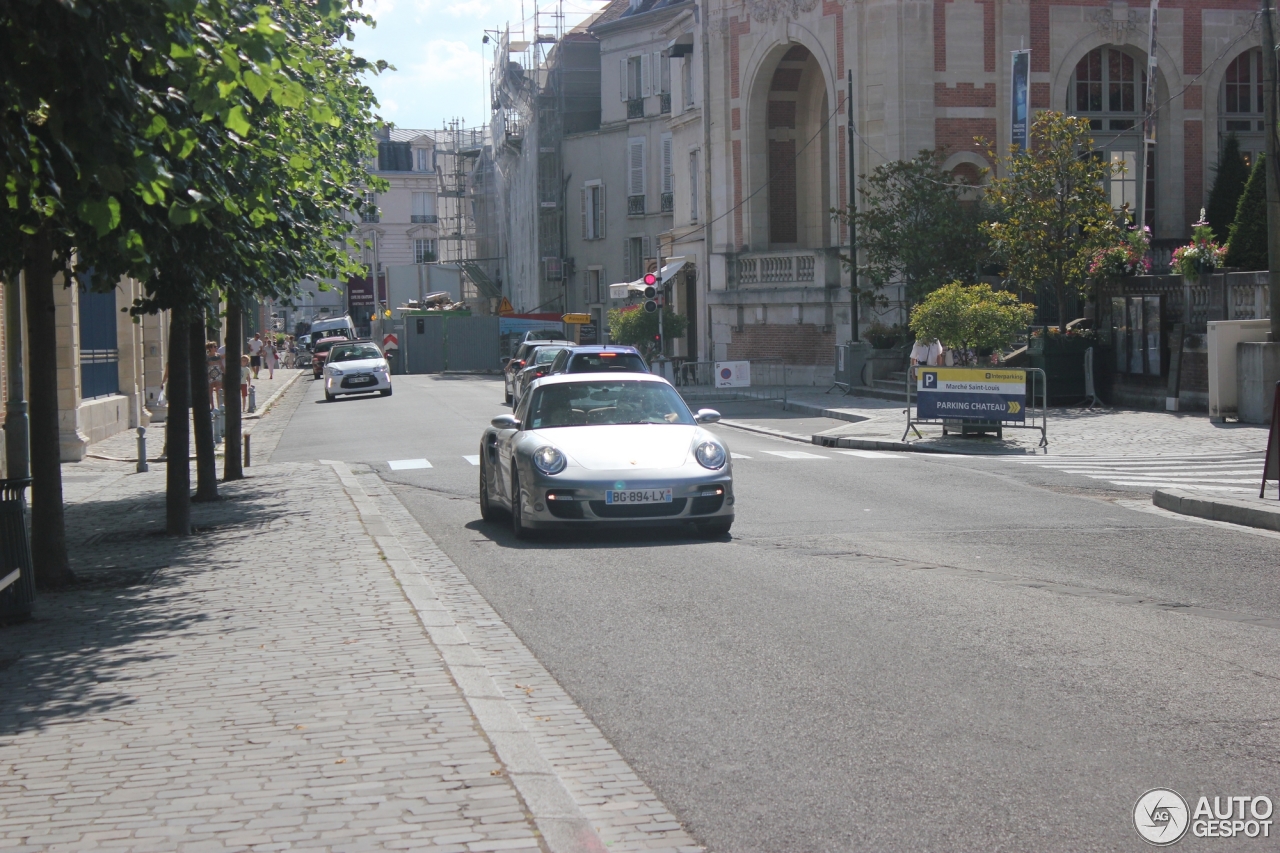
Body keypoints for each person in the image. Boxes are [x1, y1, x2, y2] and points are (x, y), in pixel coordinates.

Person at [205, 342, 224, 409]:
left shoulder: (218, 356)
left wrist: (224, 373)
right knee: (210, 392)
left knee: (219, 392)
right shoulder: (207, 357)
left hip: (218, 375)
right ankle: (212, 406)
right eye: (214, 346)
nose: (216, 348)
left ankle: (219, 406)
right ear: (210, 348)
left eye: (216, 346)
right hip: (210, 375)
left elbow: (221, 365)